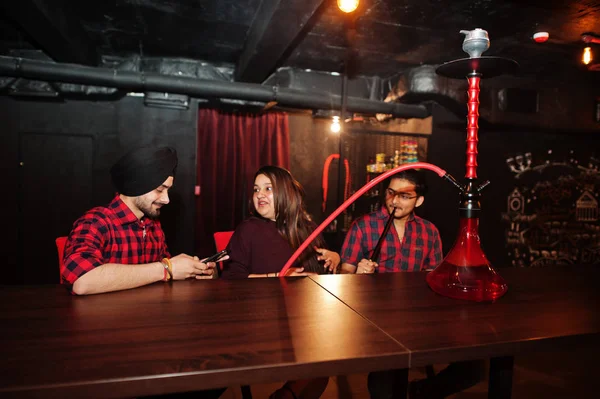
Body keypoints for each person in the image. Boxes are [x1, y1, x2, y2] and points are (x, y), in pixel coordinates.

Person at [337, 169, 483, 399]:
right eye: (391, 193)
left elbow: (434, 278)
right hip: (377, 320)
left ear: (419, 200)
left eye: (404, 196)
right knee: (386, 378)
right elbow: (342, 275)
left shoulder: (430, 232)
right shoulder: (363, 226)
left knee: (473, 368)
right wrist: (356, 274)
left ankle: (421, 390)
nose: (395, 200)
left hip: (418, 318)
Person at [222, 165, 337, 399]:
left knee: (325, 361)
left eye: (268, 188)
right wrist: (279, 279)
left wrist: (335, 259)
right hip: (259, 322)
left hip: (300, 322)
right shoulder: (248, 230)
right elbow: (231, 281)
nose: (260, 194)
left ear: (286, 193)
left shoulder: (305, 229)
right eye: (256, 189)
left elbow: (317, 280)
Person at [62, 146, 223, 295]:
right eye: (160, 190)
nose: (166, 200)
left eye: (168, 190)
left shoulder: (153, 225)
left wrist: (194, 270)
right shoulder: (95, 222)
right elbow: (81, 281)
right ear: (136, 186)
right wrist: (167, 268)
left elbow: (163, 279)